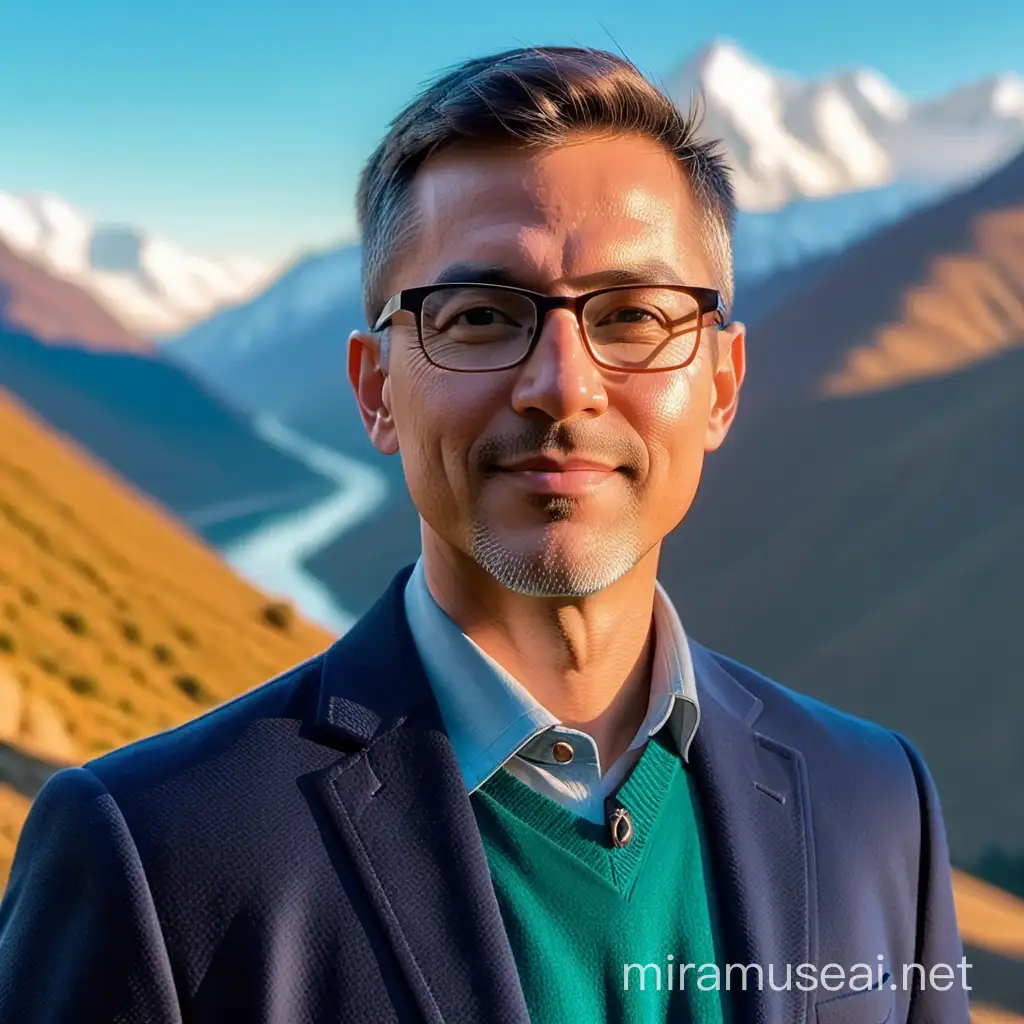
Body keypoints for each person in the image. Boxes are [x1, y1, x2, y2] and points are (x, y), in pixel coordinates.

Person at [0, 46, 969, 1024]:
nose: (562, 384)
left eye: (633, 314)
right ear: (377, 390)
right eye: (478, 316)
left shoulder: (878, 803)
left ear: (718, 384)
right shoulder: (154, 852)